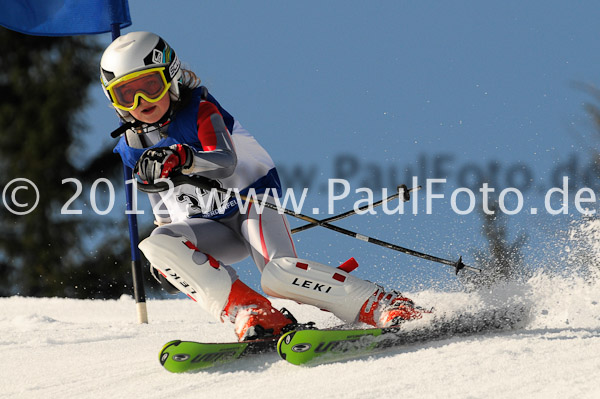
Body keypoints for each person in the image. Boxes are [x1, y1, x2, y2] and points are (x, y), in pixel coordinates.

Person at [101, 31, 424, 341]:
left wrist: (183, 156)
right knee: (158, 244)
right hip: (209, 227)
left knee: (279, 276)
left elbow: (224, 160)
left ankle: (383, 304)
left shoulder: (200, 110)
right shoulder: (133, 145)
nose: (142, 100)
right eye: (126, 94)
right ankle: (253, 313)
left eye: (151, 86)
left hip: (251, 206)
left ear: (170, 77)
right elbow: (161, 205)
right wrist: (171, 265)